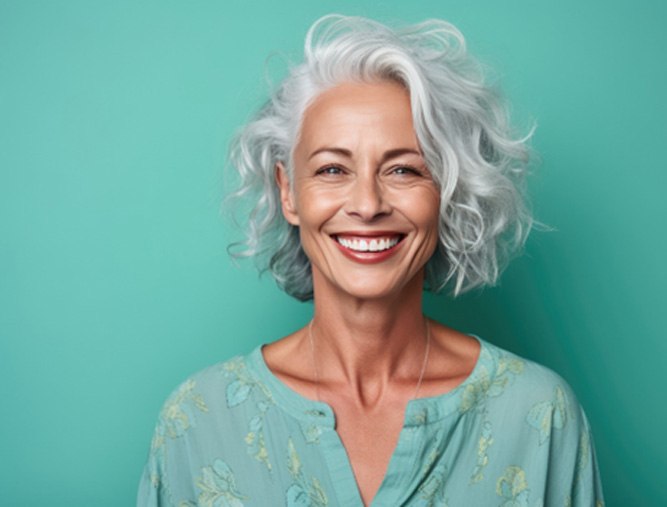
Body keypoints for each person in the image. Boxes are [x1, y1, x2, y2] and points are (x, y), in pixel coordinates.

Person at [137, 15, 604, 506]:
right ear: (288, 192)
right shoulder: (199, 421)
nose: (367, 204)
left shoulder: (538, 416)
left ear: (446, 192)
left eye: (404, 169)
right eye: (332, 169)